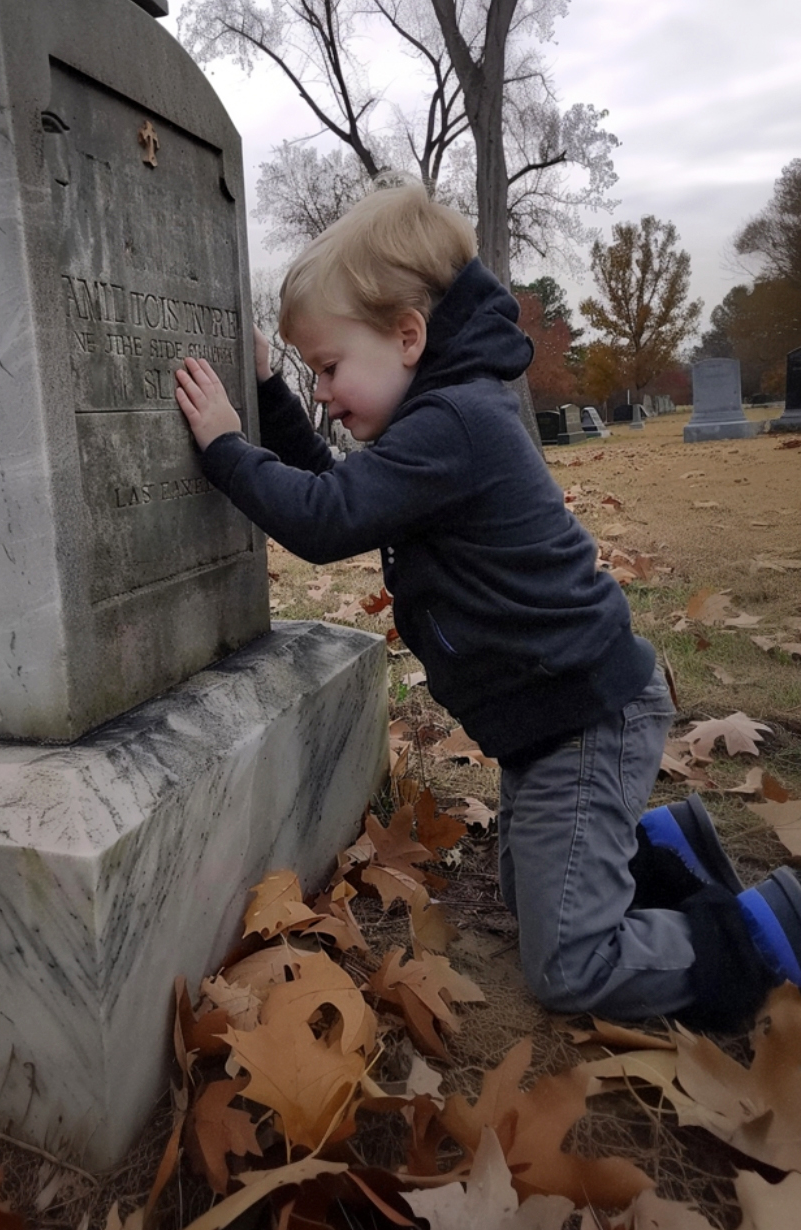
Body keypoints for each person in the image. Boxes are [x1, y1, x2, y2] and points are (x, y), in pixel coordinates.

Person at [174, 182, 801, 1030]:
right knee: (525, 887)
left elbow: (324, 520)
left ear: (407, 335)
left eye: (326, 369)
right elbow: (336, 484)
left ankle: (762, 936)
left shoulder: (455, 425)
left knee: (571, 964)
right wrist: (273, 398)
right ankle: (667, 851)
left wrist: (224, 444)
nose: (320, 391)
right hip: (543, 721)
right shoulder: (434, 419)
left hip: (582, 716)